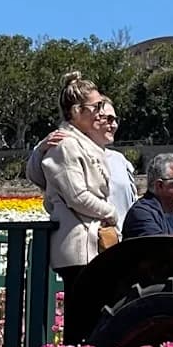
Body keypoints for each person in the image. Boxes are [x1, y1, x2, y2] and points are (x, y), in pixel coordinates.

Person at [37, 71, 118, 297]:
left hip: (91, 243)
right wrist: (110, 212)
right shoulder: (66, 145)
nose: (101, 113)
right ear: (76, 111)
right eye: (96, 107)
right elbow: (77, 196)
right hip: (79, 246)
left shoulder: (83, 143)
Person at [27, 98, 137, 226]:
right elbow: (37, 178)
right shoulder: (66, 152)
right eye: (108, 119)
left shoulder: (120, 160)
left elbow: (131, 201)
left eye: (116, 120)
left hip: (122, 238)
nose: (114, 125)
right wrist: (40, 150)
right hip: (89, 237)